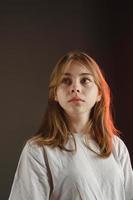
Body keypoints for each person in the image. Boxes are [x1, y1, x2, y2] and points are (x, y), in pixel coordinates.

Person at [9, 51, 133, 200]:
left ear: (99, 93)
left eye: (85, 80)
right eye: (66, 81)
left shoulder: (116, 147)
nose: (75, 88)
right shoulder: (38, 151)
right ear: (55, 93)